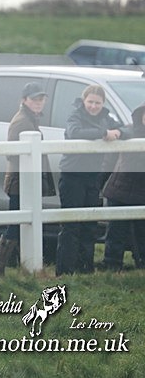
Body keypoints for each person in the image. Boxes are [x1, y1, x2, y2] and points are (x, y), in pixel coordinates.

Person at [56, 85, 123, 276]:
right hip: (72, 176)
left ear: (103, 104)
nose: (94, 106)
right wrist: (104, 133)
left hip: (93, 176)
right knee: (71, 224)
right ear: (83, 101)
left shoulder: (106, 117)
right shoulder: (74, 116)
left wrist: (118, 133)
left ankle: (85, 270)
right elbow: (76, 132)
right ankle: (65, 271)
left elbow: (122, 128)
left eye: (98, 103)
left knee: (89, 224)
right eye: (90, 102)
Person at [0, 82, 56, 277]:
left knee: (21, 224)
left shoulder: (30, 118)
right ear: (24, 100)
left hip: (23, 181)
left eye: (41, 99)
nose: (38, 102)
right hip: (19, 182)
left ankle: (19, 268)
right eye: (34, 99)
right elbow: (12, 153)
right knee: (15, 226)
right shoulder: (22, 121)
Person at [101, 102, 145, 271]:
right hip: (121, 188)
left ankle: (141, 265)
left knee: (142, 233)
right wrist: (102, 181)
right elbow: (111, 160)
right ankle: (112, 267)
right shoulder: (128, 131)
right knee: (116, 231)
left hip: (137, 190)